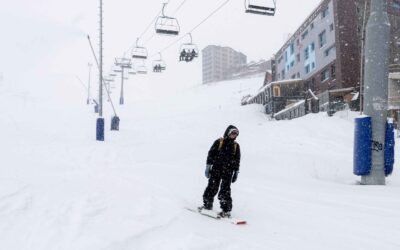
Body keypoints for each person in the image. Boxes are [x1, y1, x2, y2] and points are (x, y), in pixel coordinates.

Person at [201, 125, 241, 218]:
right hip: (216, 169)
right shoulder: (219, 142)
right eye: (232, 133)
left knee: (225, 191)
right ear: (228, 132)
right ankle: (207, 204)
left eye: (235, 134)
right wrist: (208, 166)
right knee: (212, 187)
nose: (234, 135)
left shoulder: (236, 146)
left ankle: (226, 210)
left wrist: (236, 171)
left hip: (228, 172)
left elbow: (237, 160)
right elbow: (211, 154)